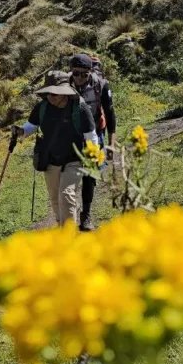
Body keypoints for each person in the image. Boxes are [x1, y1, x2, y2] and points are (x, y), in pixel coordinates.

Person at [17, 70, 97, 228]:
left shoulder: (80, 108)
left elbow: (91, 135)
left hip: (75, 160)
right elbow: (32, 126)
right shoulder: (43, 107)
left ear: (64, 93)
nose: (50, 97)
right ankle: (63, 225)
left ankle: (68, 238)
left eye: (54, 93)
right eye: (48, 93)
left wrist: (92, 158)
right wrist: (21, 131)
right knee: (55, 198)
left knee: (66, 195)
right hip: (50, 159)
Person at [70, 52, 117, 231]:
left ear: (90, 72)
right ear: (70, 71)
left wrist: (111, 142)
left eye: (84, 74)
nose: (79, 78)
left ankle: (86, 214)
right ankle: (69, 212)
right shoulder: (64, 84)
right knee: (70, 171)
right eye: (76, 73)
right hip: (70, 134)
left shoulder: (101, 85)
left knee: (90, 174)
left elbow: (110, 113)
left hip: (95, 133)